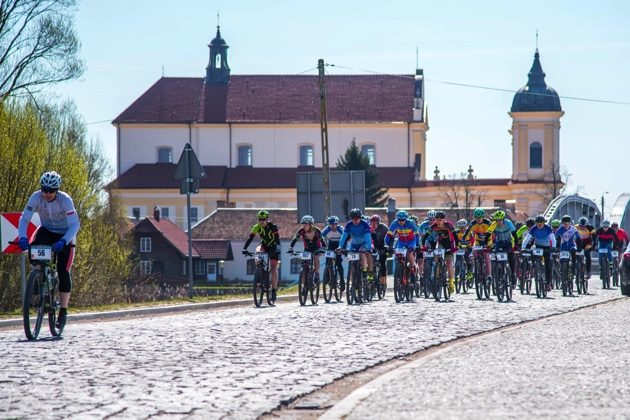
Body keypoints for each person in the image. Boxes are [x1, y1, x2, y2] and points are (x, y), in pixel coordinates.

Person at [18, 171, 80, 331]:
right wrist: (22, 237)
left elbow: (75, 225)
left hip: (65, 234)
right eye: (44, 189)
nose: (47, 193)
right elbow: (24, 219)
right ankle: (38, 277)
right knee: (35, 249)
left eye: (51, 191)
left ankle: (63, 312)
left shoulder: (65, 200)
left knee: (63, 270)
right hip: (46, 230)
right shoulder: (35, 197)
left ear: (57, 190)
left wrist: (64, 240)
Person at [243, 210, 281, 301]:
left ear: (267, 219)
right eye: (260, 219)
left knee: (273, 269)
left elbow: (277, 238)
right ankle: (260, 270)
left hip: (273, 247)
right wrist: (245, 248)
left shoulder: (273, 226)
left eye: (263, 219)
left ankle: (274, 290)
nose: (261, 221)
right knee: (258, 251)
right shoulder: (256, 227)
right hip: (264, 245)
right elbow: (250, 238)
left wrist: (278, 248)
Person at [421, 210, 457, 293]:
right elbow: (425, 236)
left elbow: (455, 236)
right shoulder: (434, 226)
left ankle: (451, 282)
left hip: (450, 244)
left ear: (444, 220)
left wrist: (456, 246)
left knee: (448, 263)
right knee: (436, 259)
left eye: (440, 220)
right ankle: (437, 275)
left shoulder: (449, 225)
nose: (439, 222)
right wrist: (423, 246)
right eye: (437, 220)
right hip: (440, 243)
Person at [521, 214, 556, 290]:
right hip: (537, 246)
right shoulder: (533, 229)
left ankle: (548, 283)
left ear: (544, 222)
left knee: (548, 265)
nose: (539, 225)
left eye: (541, 223)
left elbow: (553, 239)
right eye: (537, 223)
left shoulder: (548, 228)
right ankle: (535, 268)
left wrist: (553, 247)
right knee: (534, 257)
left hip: (546, 247)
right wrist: (523, 248)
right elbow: (527, 238)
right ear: (536, 223)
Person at [288, 215, 326, 283]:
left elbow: (323, 241)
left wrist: (323, 248)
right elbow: (295, 239)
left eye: (306, 224)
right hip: (307, 249)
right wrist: (291, 248)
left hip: (317, 248)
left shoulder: (316, 230)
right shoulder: (301, 231)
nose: (304, 226)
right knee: (304, 265)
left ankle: (316, 274)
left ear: (310, 225)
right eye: (303, 224)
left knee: (316, 258)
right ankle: (303, 285)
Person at [337, 208, 373, 279]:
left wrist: (368, 247)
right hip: (353, 245)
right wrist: (340, 247)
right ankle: (352, 284)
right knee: (351, 263)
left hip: (363, 243)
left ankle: (365, 271)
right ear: (351, 218)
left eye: (357, 218)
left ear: (360, 218)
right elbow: (343, 237)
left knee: (362, 253)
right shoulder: (349, 225)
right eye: (353, 218)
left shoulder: (364, 224)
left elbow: (368, 237)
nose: (355, 220)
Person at [385, 210, 419, 281]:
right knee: (398, 255)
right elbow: (389, 234)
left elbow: (416, 235)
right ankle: (400, 271)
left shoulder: (411, 223)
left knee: (410, 253)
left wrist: (417, 244)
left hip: (411, 241)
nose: (401, 222)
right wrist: (386, 244)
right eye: (399, 220)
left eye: (403, 220)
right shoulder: (394, 223)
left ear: (406, 219)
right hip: (401, 241)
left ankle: (412, 270)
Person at [463, 207, 493, 285]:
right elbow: (466, 233)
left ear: (483, 217)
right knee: (473, 253)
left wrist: (492, 244)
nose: (478, 219)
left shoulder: (488, 222)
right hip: (478, 241)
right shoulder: (473, 223)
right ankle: (475, 270)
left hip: (488, 241)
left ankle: (489, 275)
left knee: (486, 255)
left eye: (480, 218)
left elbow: (494, 233)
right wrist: (464, 241)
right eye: (476, 218)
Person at [487, 210, 517, 287]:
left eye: (500, 220)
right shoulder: (494, 224)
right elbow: (488, 234)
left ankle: (513, 273)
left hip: (508, 241)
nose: (498, 222)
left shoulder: (508, 223)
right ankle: (498, 273)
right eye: (497, 220)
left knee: (510, 255)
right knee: (496, 255)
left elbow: (514, 234)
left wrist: (516, 245)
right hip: (499, 242)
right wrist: (486, 244)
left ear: (503, 219)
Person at [321, 215, 345, 290]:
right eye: (331, 224)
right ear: (329, 224)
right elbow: (320, 237)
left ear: (337, 224)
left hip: (339, 245)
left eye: (335, 224)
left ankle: (342, 281)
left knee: (338, 263)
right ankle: (327, 276)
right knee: (328, 260)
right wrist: (322, 246)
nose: (333, 226)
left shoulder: (341, 229)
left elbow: (346, 238)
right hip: (331, 245)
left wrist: (343, 248)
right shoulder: (327, 229)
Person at [370, 215, 389, 287]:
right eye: (372, 223)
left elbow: (389, 238)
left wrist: (387, 247)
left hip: (383, 246)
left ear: (378, 223)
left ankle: (383, 280)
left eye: (375, 223)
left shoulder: (384, 228)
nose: (373, 225)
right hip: (373, 247)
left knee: (382, 261)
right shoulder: (369, 228)